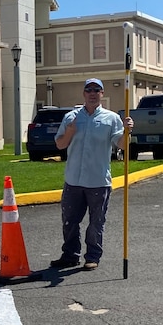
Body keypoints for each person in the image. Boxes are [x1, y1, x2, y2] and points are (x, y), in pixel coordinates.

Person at [51, 77, 134, 271]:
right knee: (70, 221)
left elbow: (121, 145)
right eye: (89, 90)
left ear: (102, 94)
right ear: (84, 94)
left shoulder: (111, 118)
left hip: (98, 180)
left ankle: (92, 256)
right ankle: (70, 255)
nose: (93, 94)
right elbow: (60, 144)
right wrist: (70, 131)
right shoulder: (71, 117)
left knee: (96, 223)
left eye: (97, 90)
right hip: (73, 180)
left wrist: (127, 132)